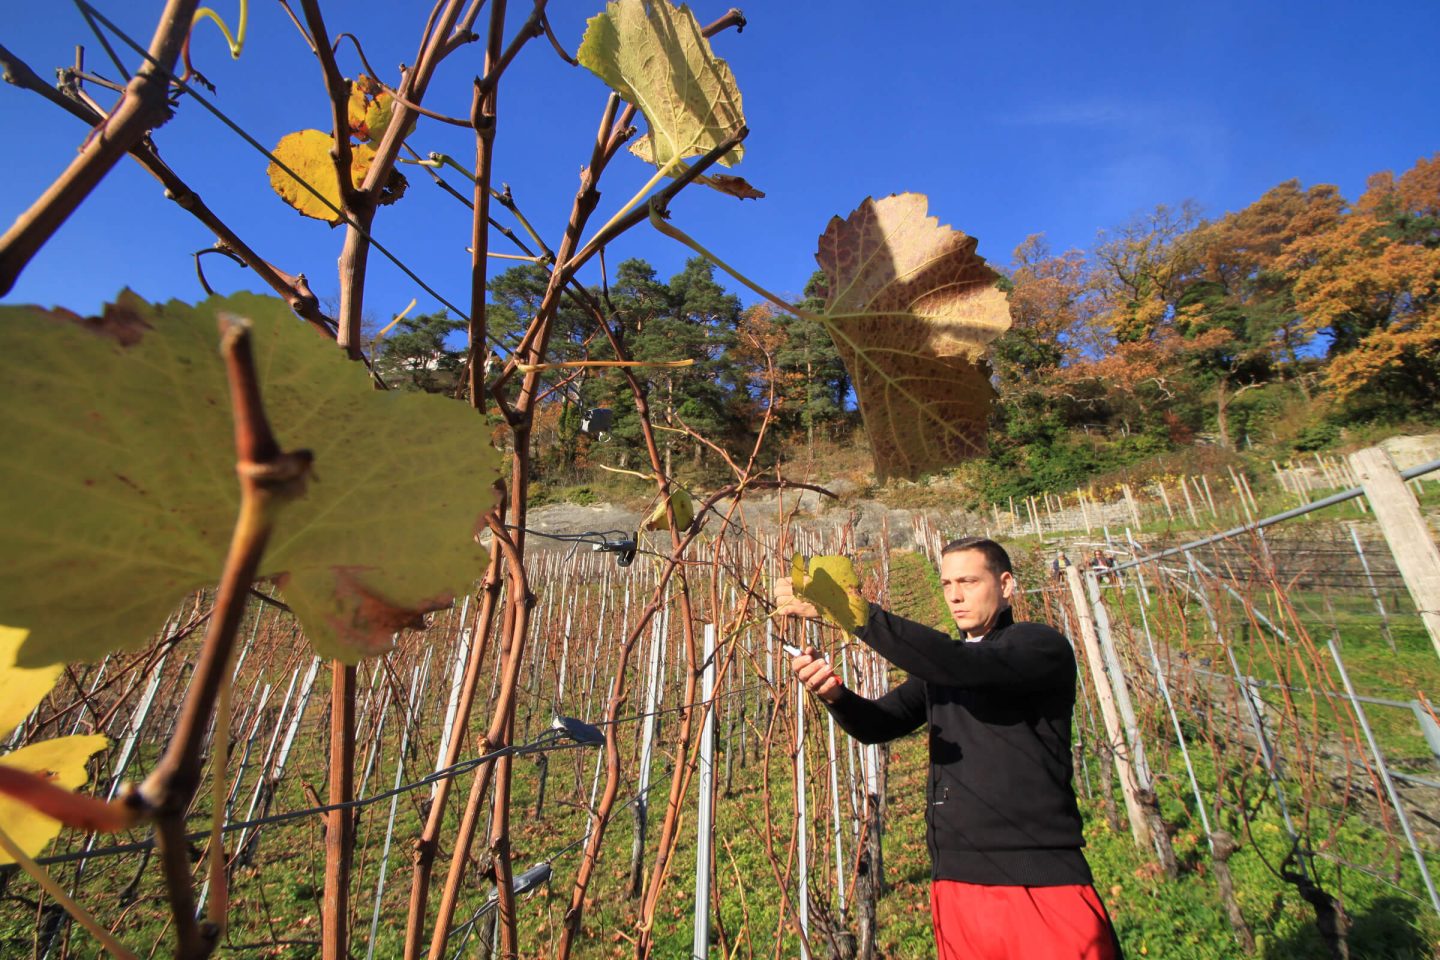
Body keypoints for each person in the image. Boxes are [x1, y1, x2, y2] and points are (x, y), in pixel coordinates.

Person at [777, 536, 1122, 960]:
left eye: (969, 581)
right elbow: (879, 724)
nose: (955, 595)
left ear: (1007, 584)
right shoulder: (941, 670)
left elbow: (964, 665)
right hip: (956, 884)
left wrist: (856, 614)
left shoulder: (1039, 647)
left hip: (1040, 884)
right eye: (946, 584)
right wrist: (834, 696)